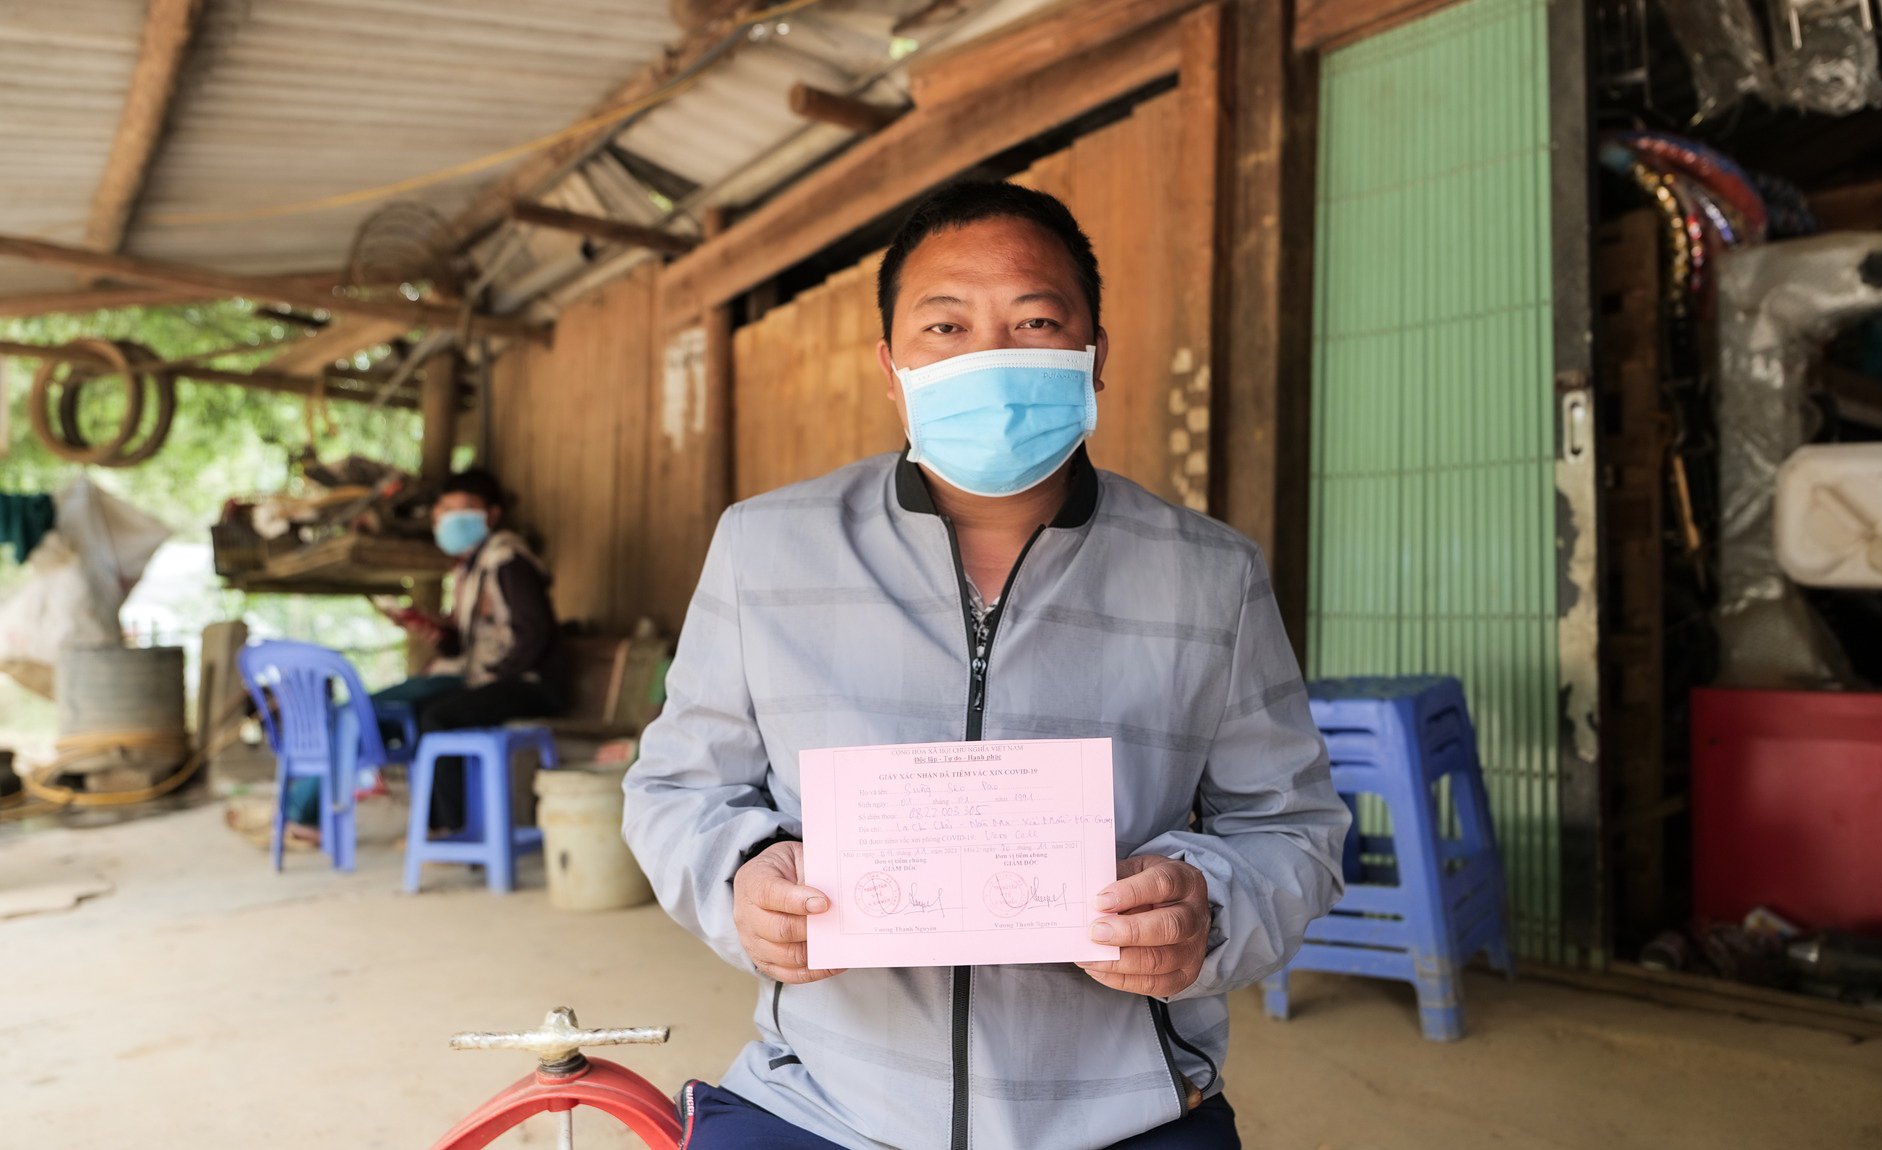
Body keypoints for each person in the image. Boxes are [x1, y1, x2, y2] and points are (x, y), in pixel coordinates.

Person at [622, 182, 1348, 1150]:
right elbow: (674, 788)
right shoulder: (765, 549)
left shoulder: (1211, 575)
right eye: (946, 326)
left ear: (1095, 355)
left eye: (1035, 321)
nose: (990, 358)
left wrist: (1207, 911)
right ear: (891, 368)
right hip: (821, 1104)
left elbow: (1293, 826)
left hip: (1126, 1115)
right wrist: (740, 879)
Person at [287, 468, 564, 839]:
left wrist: (494, 676)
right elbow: (466, 644)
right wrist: (431, 629)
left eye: (462, 508)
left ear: (492, 514)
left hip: (529, 683)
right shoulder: (471, 568)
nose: (450, 518)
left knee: (439, 717)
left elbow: (535, 632)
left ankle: (452, 829)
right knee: (419, 714)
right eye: (444, 510)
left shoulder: (507, 558)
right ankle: (432, 825)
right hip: (493, 678)